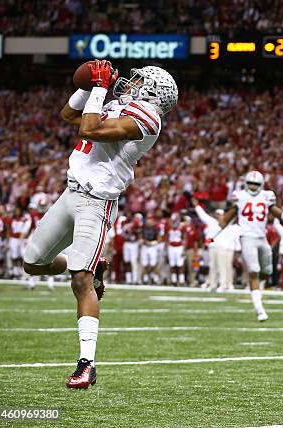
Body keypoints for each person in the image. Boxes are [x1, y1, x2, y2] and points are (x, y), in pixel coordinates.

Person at [22, 61, 178, 389]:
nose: (130, 82)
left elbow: (89, 129)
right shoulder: (119, 105)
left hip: (97, 202)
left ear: (152, 91)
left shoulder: (149, 119)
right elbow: (68, 116)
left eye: (138, 80)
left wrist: (99, 88)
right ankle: (95, 264)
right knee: (32, 264)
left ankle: (86, 364)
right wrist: (87, 84)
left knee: (80, 281)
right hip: (70, 192)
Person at [219, 171, 283, 321]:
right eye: (251, 184)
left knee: (267, 271)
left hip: (262, 238)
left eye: (256, 184)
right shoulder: (239, 196)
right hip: (247, 238)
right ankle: (260, 310)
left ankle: (256, 290)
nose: (253, 187)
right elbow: (224, 221)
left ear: (261, 185)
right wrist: (223, 220)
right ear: (246, 184)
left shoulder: (267, 196)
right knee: (254, 270)